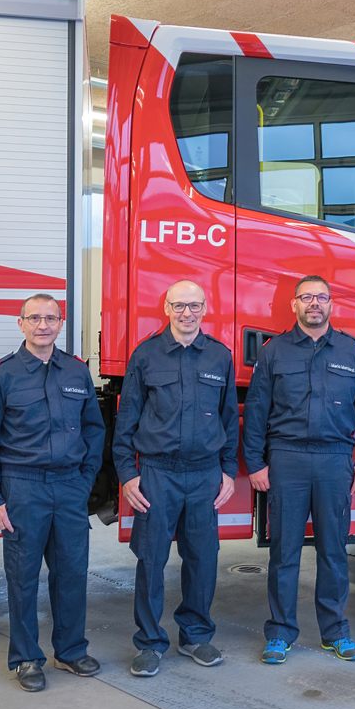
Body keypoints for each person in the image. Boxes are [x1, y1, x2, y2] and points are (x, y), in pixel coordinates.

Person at [0, 293, 105, 692]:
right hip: (23, 488)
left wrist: (84, 481)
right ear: (21, 323)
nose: (43, 325)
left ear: (61, 324)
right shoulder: (1, 375)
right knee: (23, 577)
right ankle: (27, 658)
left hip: (68, 488)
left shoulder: (76, 373)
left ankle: (71, 650)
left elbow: (94, 432)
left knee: (73, 573)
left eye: (51, 318)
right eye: (35, 318)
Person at [243, 275, 355, 665]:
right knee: (284, 552)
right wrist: (256, 463)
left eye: (321, 298)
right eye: (307, 298)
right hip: (286, 459)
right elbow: (256, 412)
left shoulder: (351, 351)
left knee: (334, 551)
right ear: (294, 305)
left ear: (331, 304)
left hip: (335, 460)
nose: (314, 304)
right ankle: (281, 633)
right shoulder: (274, 352)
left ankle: (335, 631)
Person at [113, 280, 238, 677]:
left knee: (203, 559)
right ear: (166, 308)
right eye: (179, 305)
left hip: (204, 475)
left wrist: (228, 471)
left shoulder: (219, 356)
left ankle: (196, 635)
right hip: (157, 474)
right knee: (151, 559)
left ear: (205, 308)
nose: (187, 313)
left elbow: (229, 418)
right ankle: (149, 642)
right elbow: (126, 420)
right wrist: (128, 474)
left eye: (195, 306)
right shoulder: (146, 355)